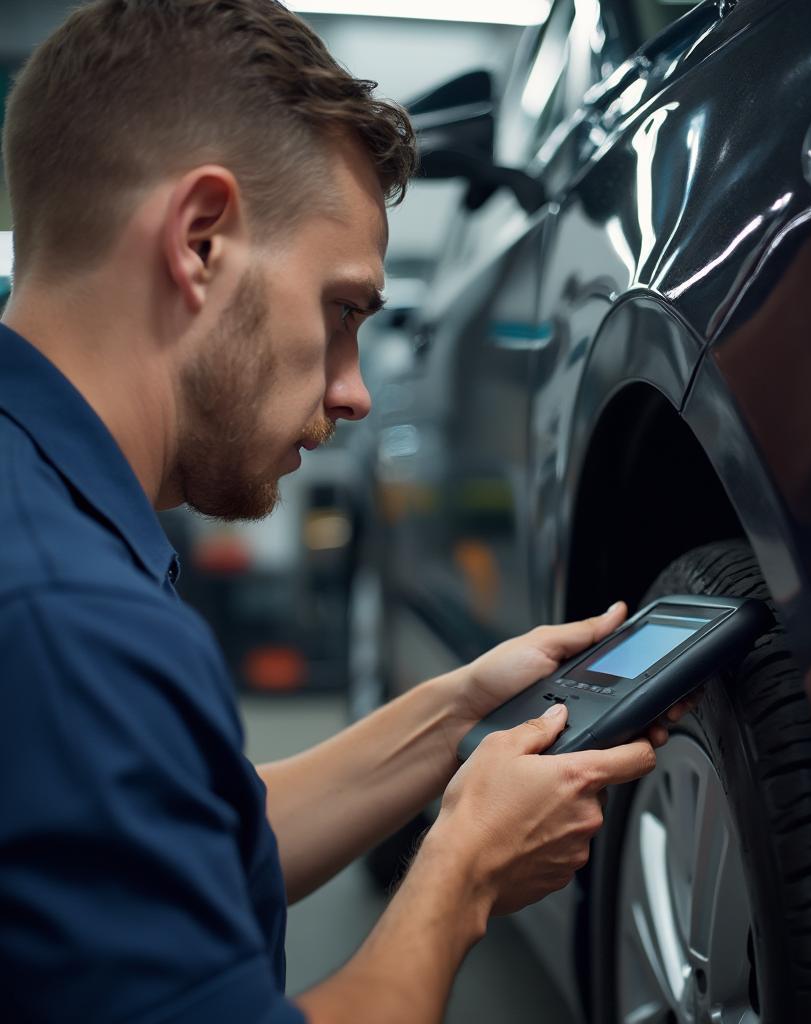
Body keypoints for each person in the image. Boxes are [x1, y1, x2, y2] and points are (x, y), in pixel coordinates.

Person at [0, 2, 691, 1021]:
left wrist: (459, 711)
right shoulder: (66, 621)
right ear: (198, 242)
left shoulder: (40, 520)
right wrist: (463, 872)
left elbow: (192, 845)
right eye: (342, 312)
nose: (356, 390)